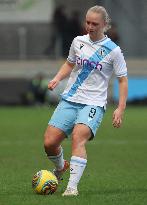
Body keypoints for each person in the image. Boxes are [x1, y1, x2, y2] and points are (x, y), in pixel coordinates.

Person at [44, 5, 128, 196]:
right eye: (87, 22)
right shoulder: (78, 41)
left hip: (93, 104)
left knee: (78, 137)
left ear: (104, 25)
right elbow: (69, 63)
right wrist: (57, 78)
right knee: (49, 143)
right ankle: (60, 167)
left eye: (94, 24)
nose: (90, 26)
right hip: (70, 99)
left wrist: (120, 108)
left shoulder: (113, 51)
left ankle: (72, 187)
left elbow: (122, 80)